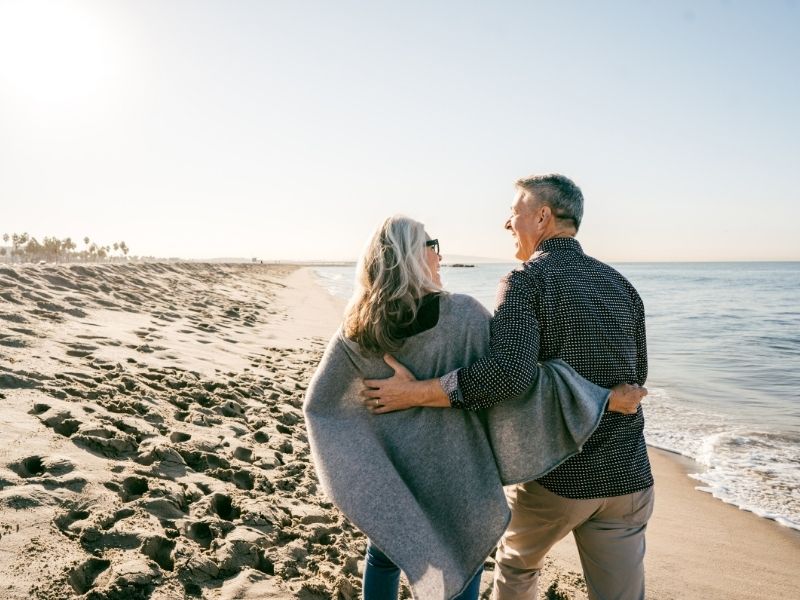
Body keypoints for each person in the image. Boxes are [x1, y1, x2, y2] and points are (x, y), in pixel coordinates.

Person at [304, 215, 645, 600]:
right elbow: (515, 382)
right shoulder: (463, 315)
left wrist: (364, 458)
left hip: (394, 468)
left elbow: (323, 406)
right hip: (458, 469)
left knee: (384, 554)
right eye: (432, 246)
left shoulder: (358, 326)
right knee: (464, 556)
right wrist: (601, 397)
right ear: (413, 255)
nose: (439, 255)